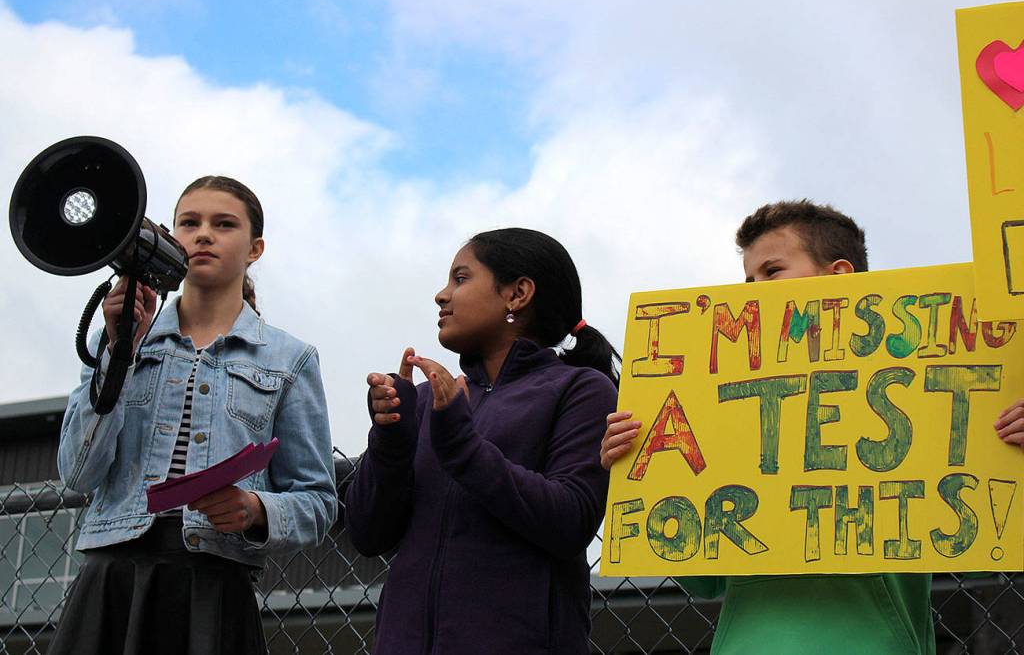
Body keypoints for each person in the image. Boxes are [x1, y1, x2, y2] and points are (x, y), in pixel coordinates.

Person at [601, 199, 1024, 654]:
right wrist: (634, 471)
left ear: (839, 275)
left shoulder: (926, 384)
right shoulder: (721, 404)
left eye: (772, 270)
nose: (753, 289)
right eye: (747, 279)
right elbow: (702, 579)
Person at [50, 176, 337, 655]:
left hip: (214, 583)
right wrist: (122, 348)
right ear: (171, 237)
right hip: (112, 576)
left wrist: (256, 509)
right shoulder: (120, 339)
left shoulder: (291, 358)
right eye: (189, 223)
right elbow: (79, 474)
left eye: (223, 224)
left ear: (255, 248)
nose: (203, 234)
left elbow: (318, 499)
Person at [345, 227, 620, 654]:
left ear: (517, 294)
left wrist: (461, 444)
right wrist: (392, 438)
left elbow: (571, 520)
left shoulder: (582, 389)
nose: (441, 295)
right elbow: (367, 535)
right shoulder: (426, 400)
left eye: (460, 278)